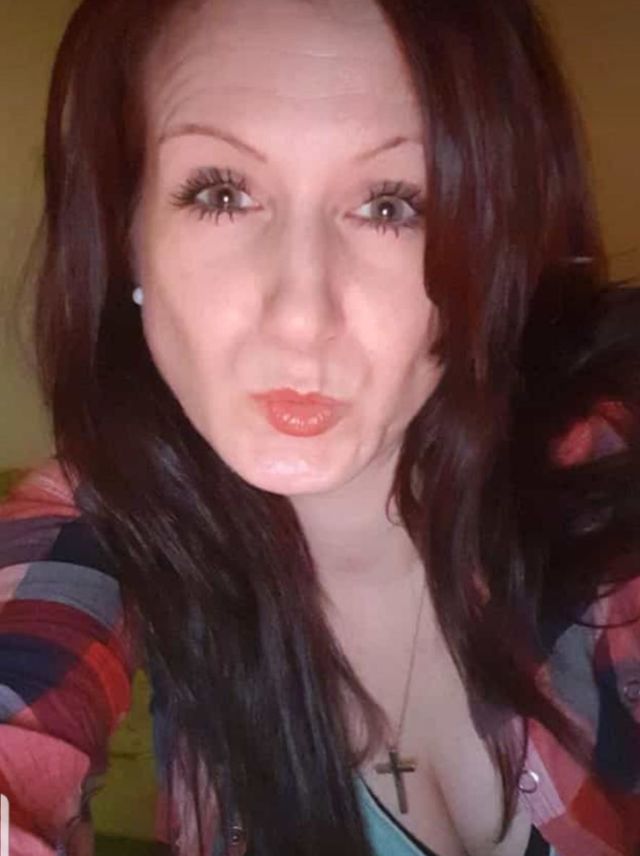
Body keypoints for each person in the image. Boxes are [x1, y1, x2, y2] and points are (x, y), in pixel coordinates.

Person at [1, 0, 639, 854]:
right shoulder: (103, 513)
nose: (300, 316)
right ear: (127, 239)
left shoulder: (608, 465)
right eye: (221, 193)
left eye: (392, 206)